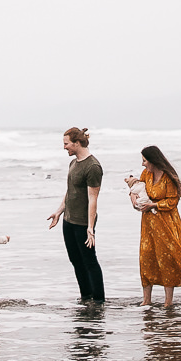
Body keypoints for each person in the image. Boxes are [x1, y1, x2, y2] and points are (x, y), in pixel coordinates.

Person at [124, 144, 181, 309]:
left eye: (144, 160)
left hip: (166, 223)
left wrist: (153, 205)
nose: (142, 164)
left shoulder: (168, 177)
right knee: (146, 258)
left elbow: (172, 201)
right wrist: (133, 197)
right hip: (148, 224)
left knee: (166, 260)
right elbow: (138, 189)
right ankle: (146, 300)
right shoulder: (146, 174)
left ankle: (168, 302)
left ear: (153, 160)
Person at [48, 126, 104, 302]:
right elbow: (71, 191)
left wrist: (90, 227)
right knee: (75, 260)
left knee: (89, 261)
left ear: (77, 143)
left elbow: (93, 199)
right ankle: (86, 297)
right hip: (68, 220)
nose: (64, 147)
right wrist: (59, 211)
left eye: (66, 144)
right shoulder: (73, 163)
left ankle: (99, 300)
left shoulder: (93, 166)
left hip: (83, 222)